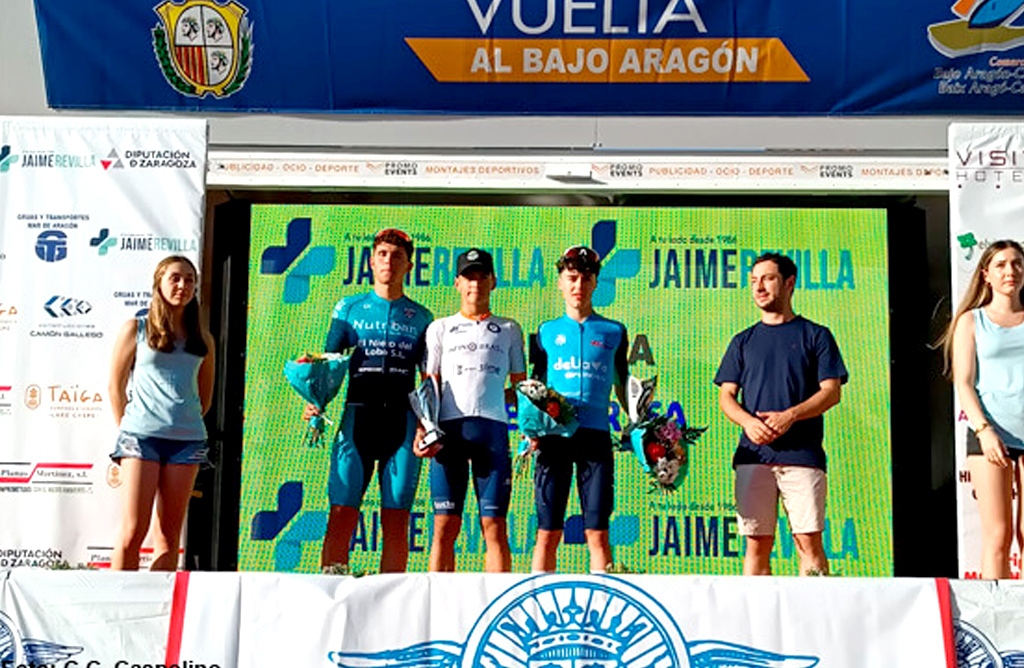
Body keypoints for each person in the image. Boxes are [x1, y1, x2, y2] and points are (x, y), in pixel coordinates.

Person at [305, 228, 432, 573]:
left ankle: (392, 605)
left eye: (397, 256)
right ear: (372, 261)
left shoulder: (422, 317)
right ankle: (333, 594)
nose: (389, 261)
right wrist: (316, 398)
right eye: (382, 254)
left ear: (408, 265)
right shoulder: (349, 307)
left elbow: (428, 380)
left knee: (396, 520)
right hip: (357, 420)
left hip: (402, 426)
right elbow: (329, 363)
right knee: (342, 513)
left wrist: (426, 425)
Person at [714, 252, 847, 576]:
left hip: (802, 456)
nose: (759, 287)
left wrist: (790, 415)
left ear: (789, 283)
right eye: (754, 280)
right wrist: (748, 422)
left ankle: (813, 622)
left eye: (768, 278)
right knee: (756, 545)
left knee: (808, 542)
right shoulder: (742, 341)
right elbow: (726, 396)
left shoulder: (817, 335)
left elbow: (831, 392)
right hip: (753, 457)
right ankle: (754, 624)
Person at [418, 248, 526, 572]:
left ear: (493, 281)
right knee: (443, 527)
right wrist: (424, 429)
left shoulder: (509, 328)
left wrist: (527, 425)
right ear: (457, 283)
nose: (475, 284)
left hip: (492, 434)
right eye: (468, 276)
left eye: (482, 276)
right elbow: (428, 387)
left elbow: (521, 388)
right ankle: (435, 606)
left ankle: (497, 608)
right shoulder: (440, 327)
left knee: (494, 528)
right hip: (448, 434)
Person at [108, 255, 215, 571]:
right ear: (159, 283)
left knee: (168, 538)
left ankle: (155, 614)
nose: (183, 285)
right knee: (132, 533)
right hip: (140, 440)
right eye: (176, 278)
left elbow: (204, 397)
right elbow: (115, 386)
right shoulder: (135, 329)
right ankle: (115, 608)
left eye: (190, 280)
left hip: (187, 441)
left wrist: (182, 421)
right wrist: (129, 429)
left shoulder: (202, 338)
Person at [528, 246, 628, 573]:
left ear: (596, 282)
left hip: (596, 438)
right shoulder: (544, 332)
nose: (578, 286)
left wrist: (641, 427)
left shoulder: (614, 331)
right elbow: (534, 389)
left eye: (586, 279)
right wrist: (530, 433)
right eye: (571, 278)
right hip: (553, 439)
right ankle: (537, 608)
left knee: (597, 533)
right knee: (547, 533)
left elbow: (624, 385)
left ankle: (604, 611)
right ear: (559, 282)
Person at [942, 240, 1024, 579]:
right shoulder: (971, 321)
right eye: (1002, 264)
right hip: (989, 434)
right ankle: (999, 621)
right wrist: (984, 430)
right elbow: (963, 382)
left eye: (1017, 263)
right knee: (997, 535)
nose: (1011, 271)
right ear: (986, 274)